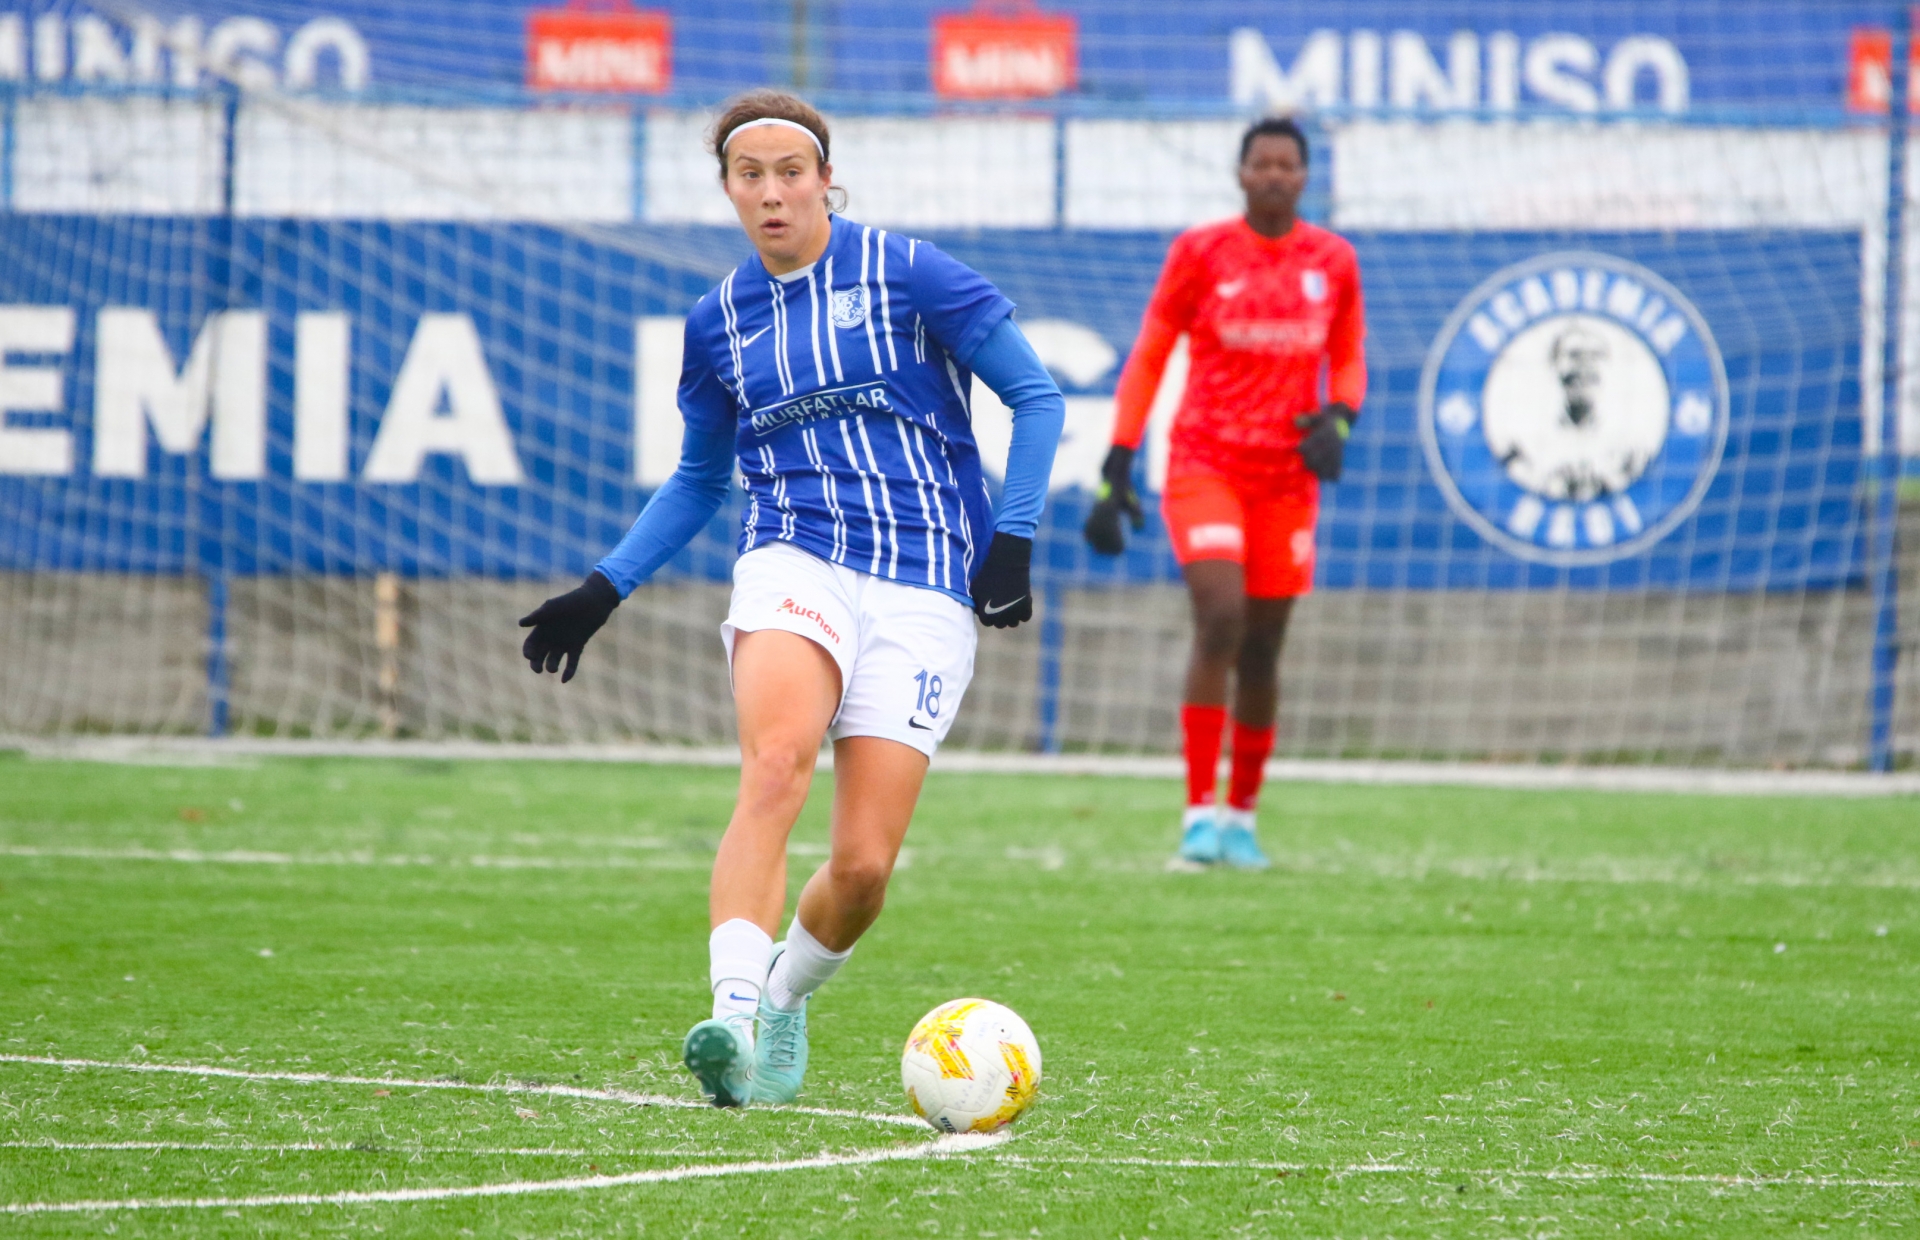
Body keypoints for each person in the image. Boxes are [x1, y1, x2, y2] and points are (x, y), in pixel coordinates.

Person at [516, 89, 1063, 1107]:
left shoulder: (910, 271)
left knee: (862, 871)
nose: (771, 193)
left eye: (790, 173)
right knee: (776, 763)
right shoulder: (717, 321)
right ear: (728, 189)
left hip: (925, 579)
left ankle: (781, 994)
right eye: (749, 175)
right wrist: (605, 585)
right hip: (792, 556)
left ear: (825, 179)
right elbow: (699, 478)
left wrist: (1014, 536)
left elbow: (1036, 397)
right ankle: (730, 1018)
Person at [1084, 116, 1365, 871]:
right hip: (1205, 465)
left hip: (1286, 480)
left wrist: (1341, 416)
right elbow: (1151, 352)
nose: (1273, 175)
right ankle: (1196, 816)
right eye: (1260, 163)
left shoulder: (1333, 260)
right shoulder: (1201, 252)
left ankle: (1241, 819)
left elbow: (1347, 356)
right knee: (1221, 616)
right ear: (1240, 174)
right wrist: (1119, 456)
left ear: (1304, 178)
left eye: (1287, 164)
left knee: (1265, 646)